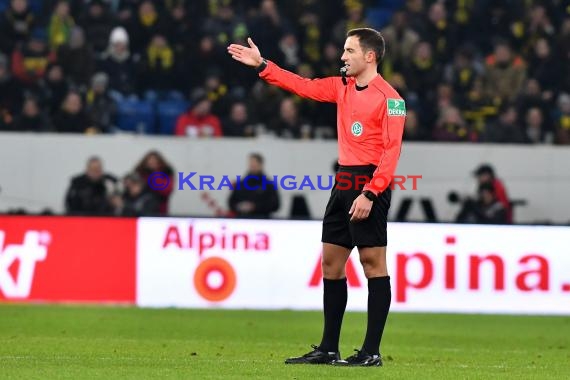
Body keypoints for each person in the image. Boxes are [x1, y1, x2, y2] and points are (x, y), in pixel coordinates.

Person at [227, 28, 406, 367]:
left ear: (369, 56)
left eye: (349, 51)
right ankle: (328, 348)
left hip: (370, 184)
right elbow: (303, 86)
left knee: (372, 265)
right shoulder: (342, 87)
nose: (343, 56)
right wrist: (263, 64)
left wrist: (371, 192)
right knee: (331, 264)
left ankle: (371, 352)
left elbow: (391, 152)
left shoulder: (390, 99)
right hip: (344, 181)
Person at [228, 153, 280, 219]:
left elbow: (275, 205)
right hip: (242, 220)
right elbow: (231, 203)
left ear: (261, 165)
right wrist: (239, 206)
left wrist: (255, 207)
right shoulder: (241, 184)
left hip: (262, 221)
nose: (252, 165)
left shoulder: (269, 185)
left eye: (255, 163)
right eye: (251, 163)